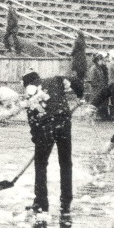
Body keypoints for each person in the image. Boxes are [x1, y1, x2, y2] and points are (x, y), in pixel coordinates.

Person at [22, 70, 84, 214]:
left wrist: (36, 139)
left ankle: (41, 201)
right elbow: (75, 81)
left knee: (41, 163)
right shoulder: (56, 79)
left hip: (45, 127)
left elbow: (32, 119)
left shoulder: (30, 93)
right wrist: (80, 95)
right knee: (65, 162)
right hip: (64, 123)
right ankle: (66, 200)